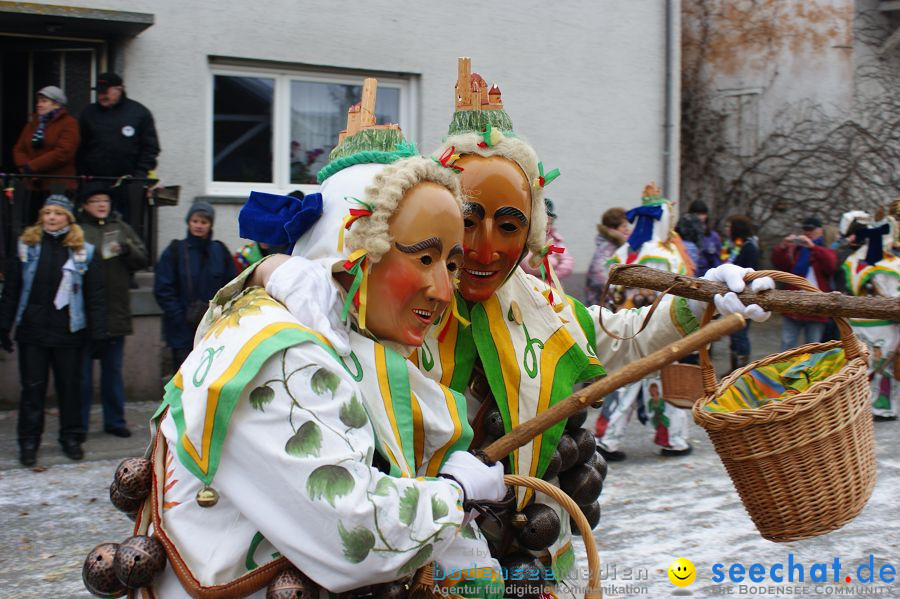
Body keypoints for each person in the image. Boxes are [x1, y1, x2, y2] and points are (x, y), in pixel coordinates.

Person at [255, 59, 775, 584]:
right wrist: (270, 271)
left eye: (508, 226)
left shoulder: (541, 307)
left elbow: (619, 338)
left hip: (524, 552)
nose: (484, 249)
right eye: (467, 222)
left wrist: (704, 301)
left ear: (530, 233)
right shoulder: (392, 301)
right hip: (409, 561)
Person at [135, 97, 506, 597]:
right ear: (353, 252)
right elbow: (356, 535)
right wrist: (454, 493)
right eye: (423, 258)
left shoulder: (351, 345)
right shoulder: (278, 353)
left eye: (451, 264)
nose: (443, 289)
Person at [595, 184, 699, 461]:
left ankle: (607, 438)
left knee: (624, 383)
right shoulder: (664, 255)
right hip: (656, 327)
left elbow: (612, 291)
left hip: (624, 326)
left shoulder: (624, 252)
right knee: (662, 385)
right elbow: (678, 293)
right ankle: (672, 439)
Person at [0, 195, 105, 466]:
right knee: (32, 389)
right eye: (47, 212)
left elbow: (94, 295)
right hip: (32, 332)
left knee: (69, 389)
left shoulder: (84, 251)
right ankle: (29, 442)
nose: (51, 217)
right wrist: (4, 325)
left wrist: (98, 333)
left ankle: (71, 438)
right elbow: (11, 290)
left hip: (68, 332)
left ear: (68, 218)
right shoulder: (27, 246)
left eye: (57, 213)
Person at [76, 183, 148, 439]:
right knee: (82, 376)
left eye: (104, 199)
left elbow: (143, 257)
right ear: (85, 205)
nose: (101, 204)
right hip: (84, 314)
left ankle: (115, 421)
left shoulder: (121, 228)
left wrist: (127, 249)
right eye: (95, 200)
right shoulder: (77, 231)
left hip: (116, 311)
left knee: (113, 372)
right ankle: (79, 425)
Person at [153, 202, 235, 370]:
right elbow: (163, 288)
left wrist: (220, 315)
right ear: (189, 222)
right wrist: (179, 316)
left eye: (204, 222)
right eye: (195, 221)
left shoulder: (219, 251)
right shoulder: (175, 251)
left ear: (210, 225)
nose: (199, 226)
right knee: (182, 379)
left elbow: (232, 286)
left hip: (213, 328)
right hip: (181, 329)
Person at [77, 72, 160, 227]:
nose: (102, 95)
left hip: (128, 184)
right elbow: (80, 147)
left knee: (127, 226)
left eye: (105, 91)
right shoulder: (88, 113)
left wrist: (139, 176)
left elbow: (150, 148)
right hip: (96, 184)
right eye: (99, 92)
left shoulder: (139, 113)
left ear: (119, 89)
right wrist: (83, 175)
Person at [839, 209, 900, 421]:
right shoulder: (888, 263)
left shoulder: (854, 260)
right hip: (883, 324)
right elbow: (895, 296)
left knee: (870, 366)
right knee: (879, 366)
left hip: (859, 323)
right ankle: (878, 407)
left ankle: (869, 406)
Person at [12, 85, 80, 224]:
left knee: (57, 220)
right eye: (38, 101)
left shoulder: (69, 123)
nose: (39, 104)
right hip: (34, 183)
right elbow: (19, 149)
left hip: (58, 183)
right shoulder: (33, 124)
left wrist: (33, 166)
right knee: (33, 222)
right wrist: (26, 169)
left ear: (56, 104)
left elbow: (63, 152)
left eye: (44, 101)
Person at [771, 216, 838, 350]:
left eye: (811, 229)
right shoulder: (797, 250)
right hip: (793, 303)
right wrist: (783, 246)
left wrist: (813, 247)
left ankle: (809, 370)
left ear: (820, 231)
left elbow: (831, 266)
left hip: (817, 306)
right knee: (787, 344)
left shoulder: (825, 249)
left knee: (813, 347)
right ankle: (785, 370)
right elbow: (780, 265)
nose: (808, 232)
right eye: (805, 229)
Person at [722, 215, 759, 370]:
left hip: (744, 294)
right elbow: (725, 262)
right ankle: (733, 369)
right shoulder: (732, 245)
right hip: (732, 294)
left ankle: (743, 370)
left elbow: (748, 271)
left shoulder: (749, 247)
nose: (726, 229)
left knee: (740, 332)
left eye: (729, 226)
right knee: (733, 332)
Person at [584, 206, 630, 307]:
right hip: (602, 304)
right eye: (624, 226)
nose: (627, 230)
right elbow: (598, 275)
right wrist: (616, 293)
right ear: (612, 229)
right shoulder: (607, 247)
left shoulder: (617, 246)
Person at [519, 197, 574, 280]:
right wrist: (555, 261)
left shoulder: (555, 238)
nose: (547, 227)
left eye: (550, 223)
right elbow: (530, 266)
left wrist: (553, 276)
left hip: (552, 285)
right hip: (531, 286)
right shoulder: (526, 240)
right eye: (544, 222)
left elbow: (568, 262)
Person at [688, 199, 722, 275]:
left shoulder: (713, 237)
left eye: (703, 214)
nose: (700, 217)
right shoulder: (684, 235)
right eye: (697, 214)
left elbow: (717, 260)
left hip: (708, 275)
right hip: (689, 273)